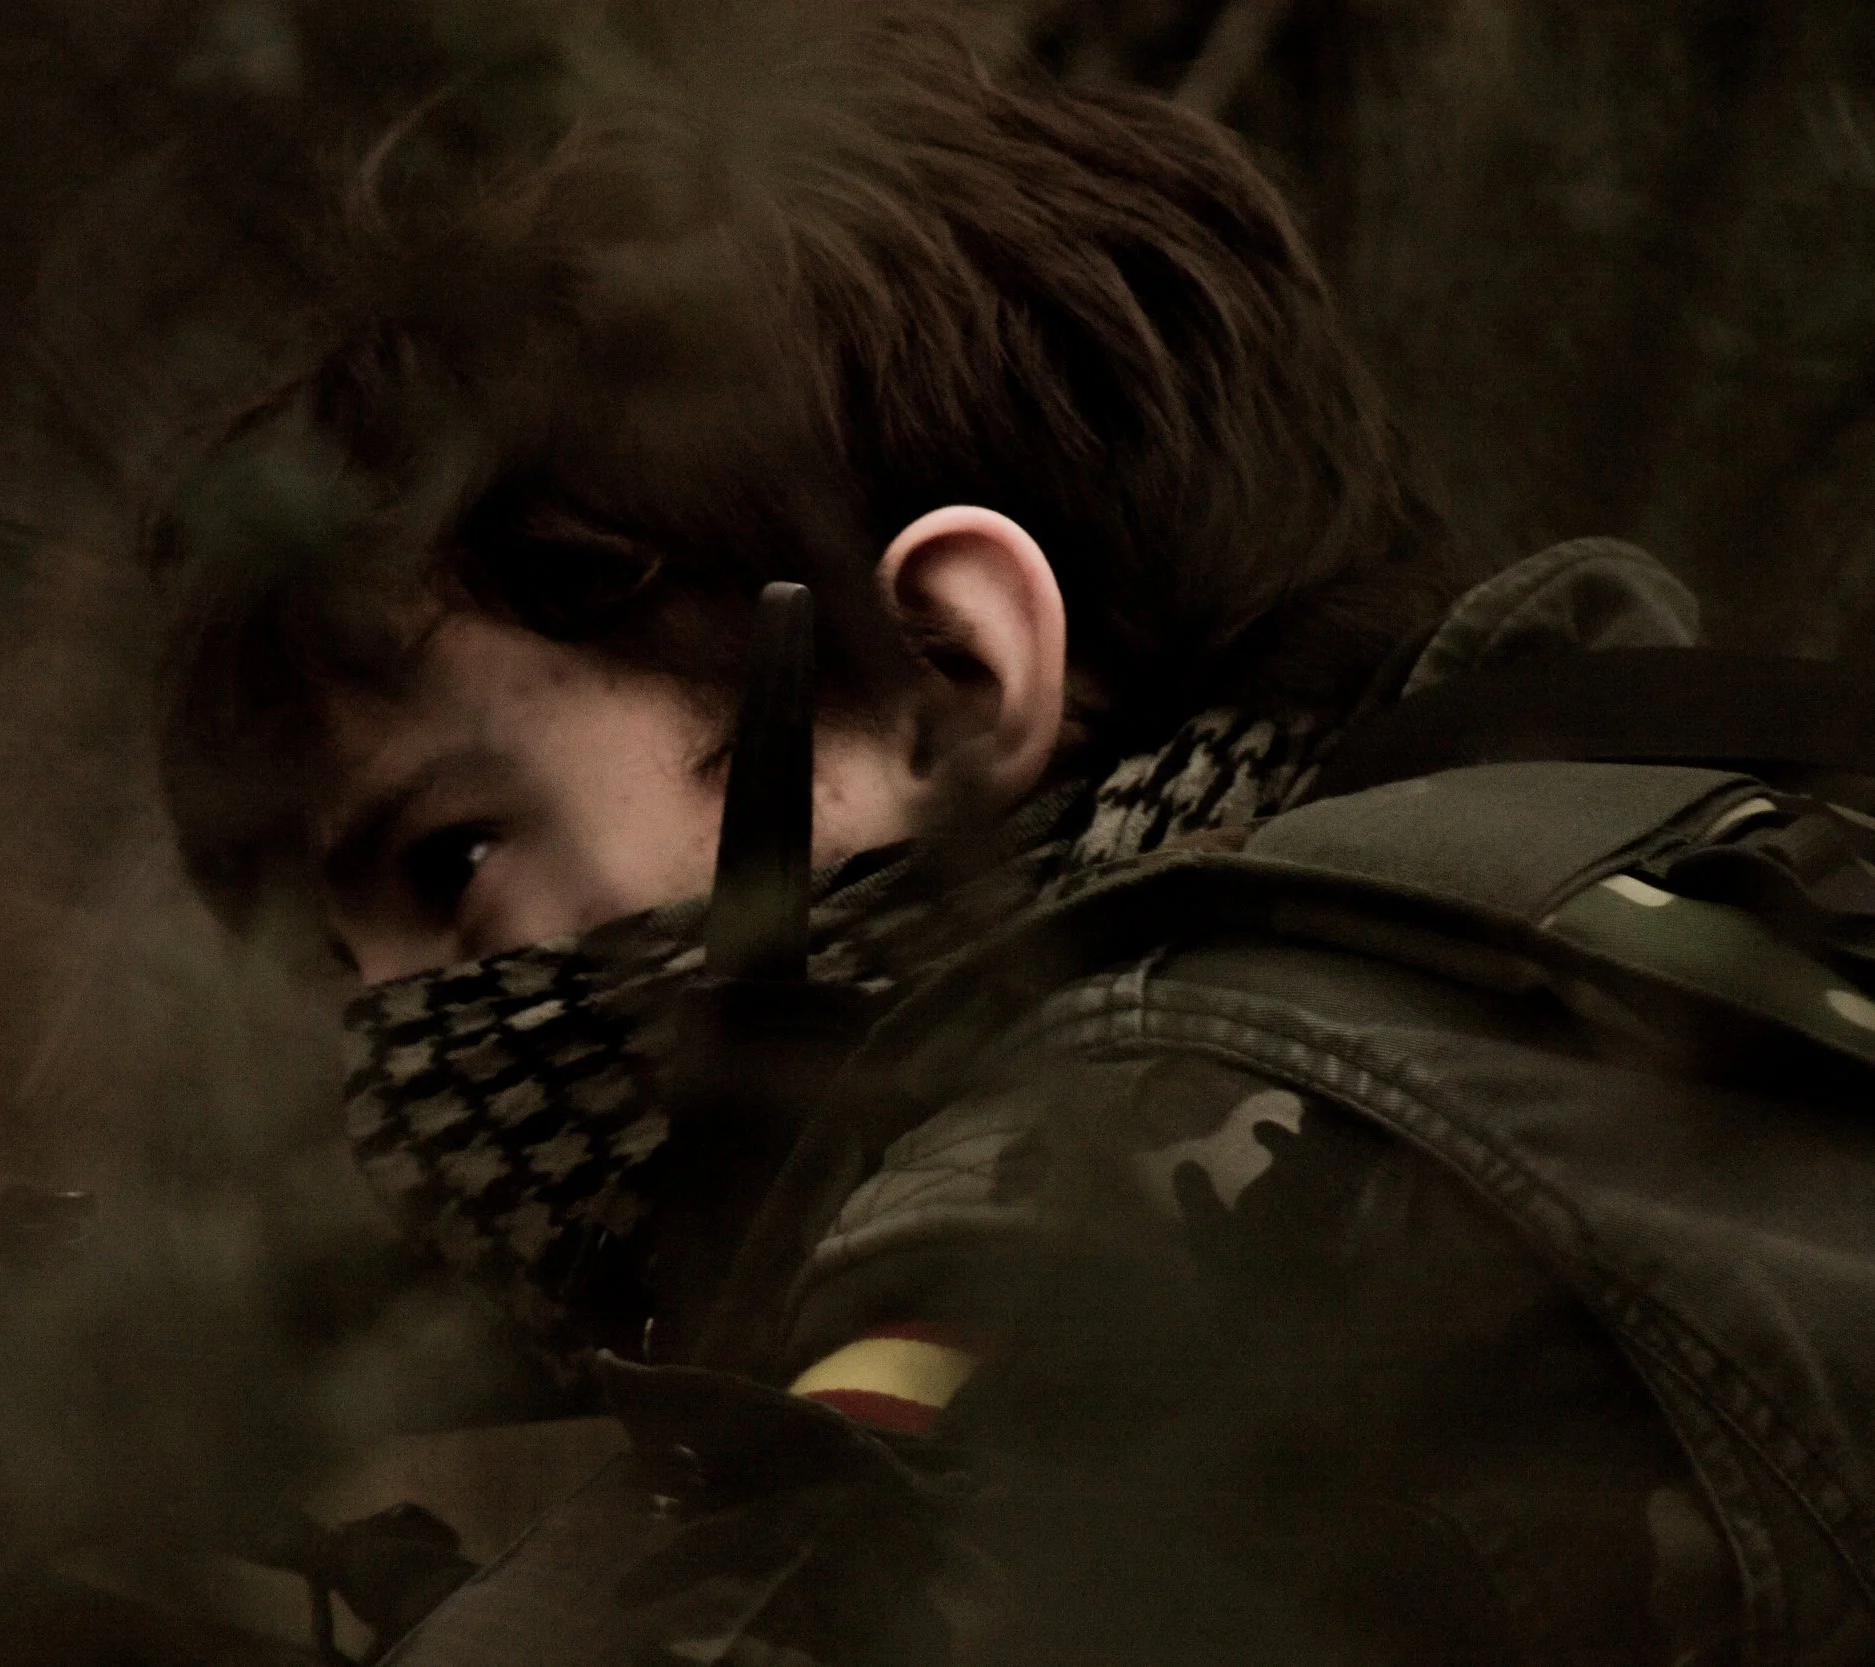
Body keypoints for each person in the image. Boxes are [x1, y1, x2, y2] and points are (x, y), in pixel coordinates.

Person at [150, 4, 1875, 1662]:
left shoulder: (1102, 1186)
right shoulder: (1648, 911)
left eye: (452, 861)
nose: (390, 1054)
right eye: (338, 967)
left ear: (945, 679)